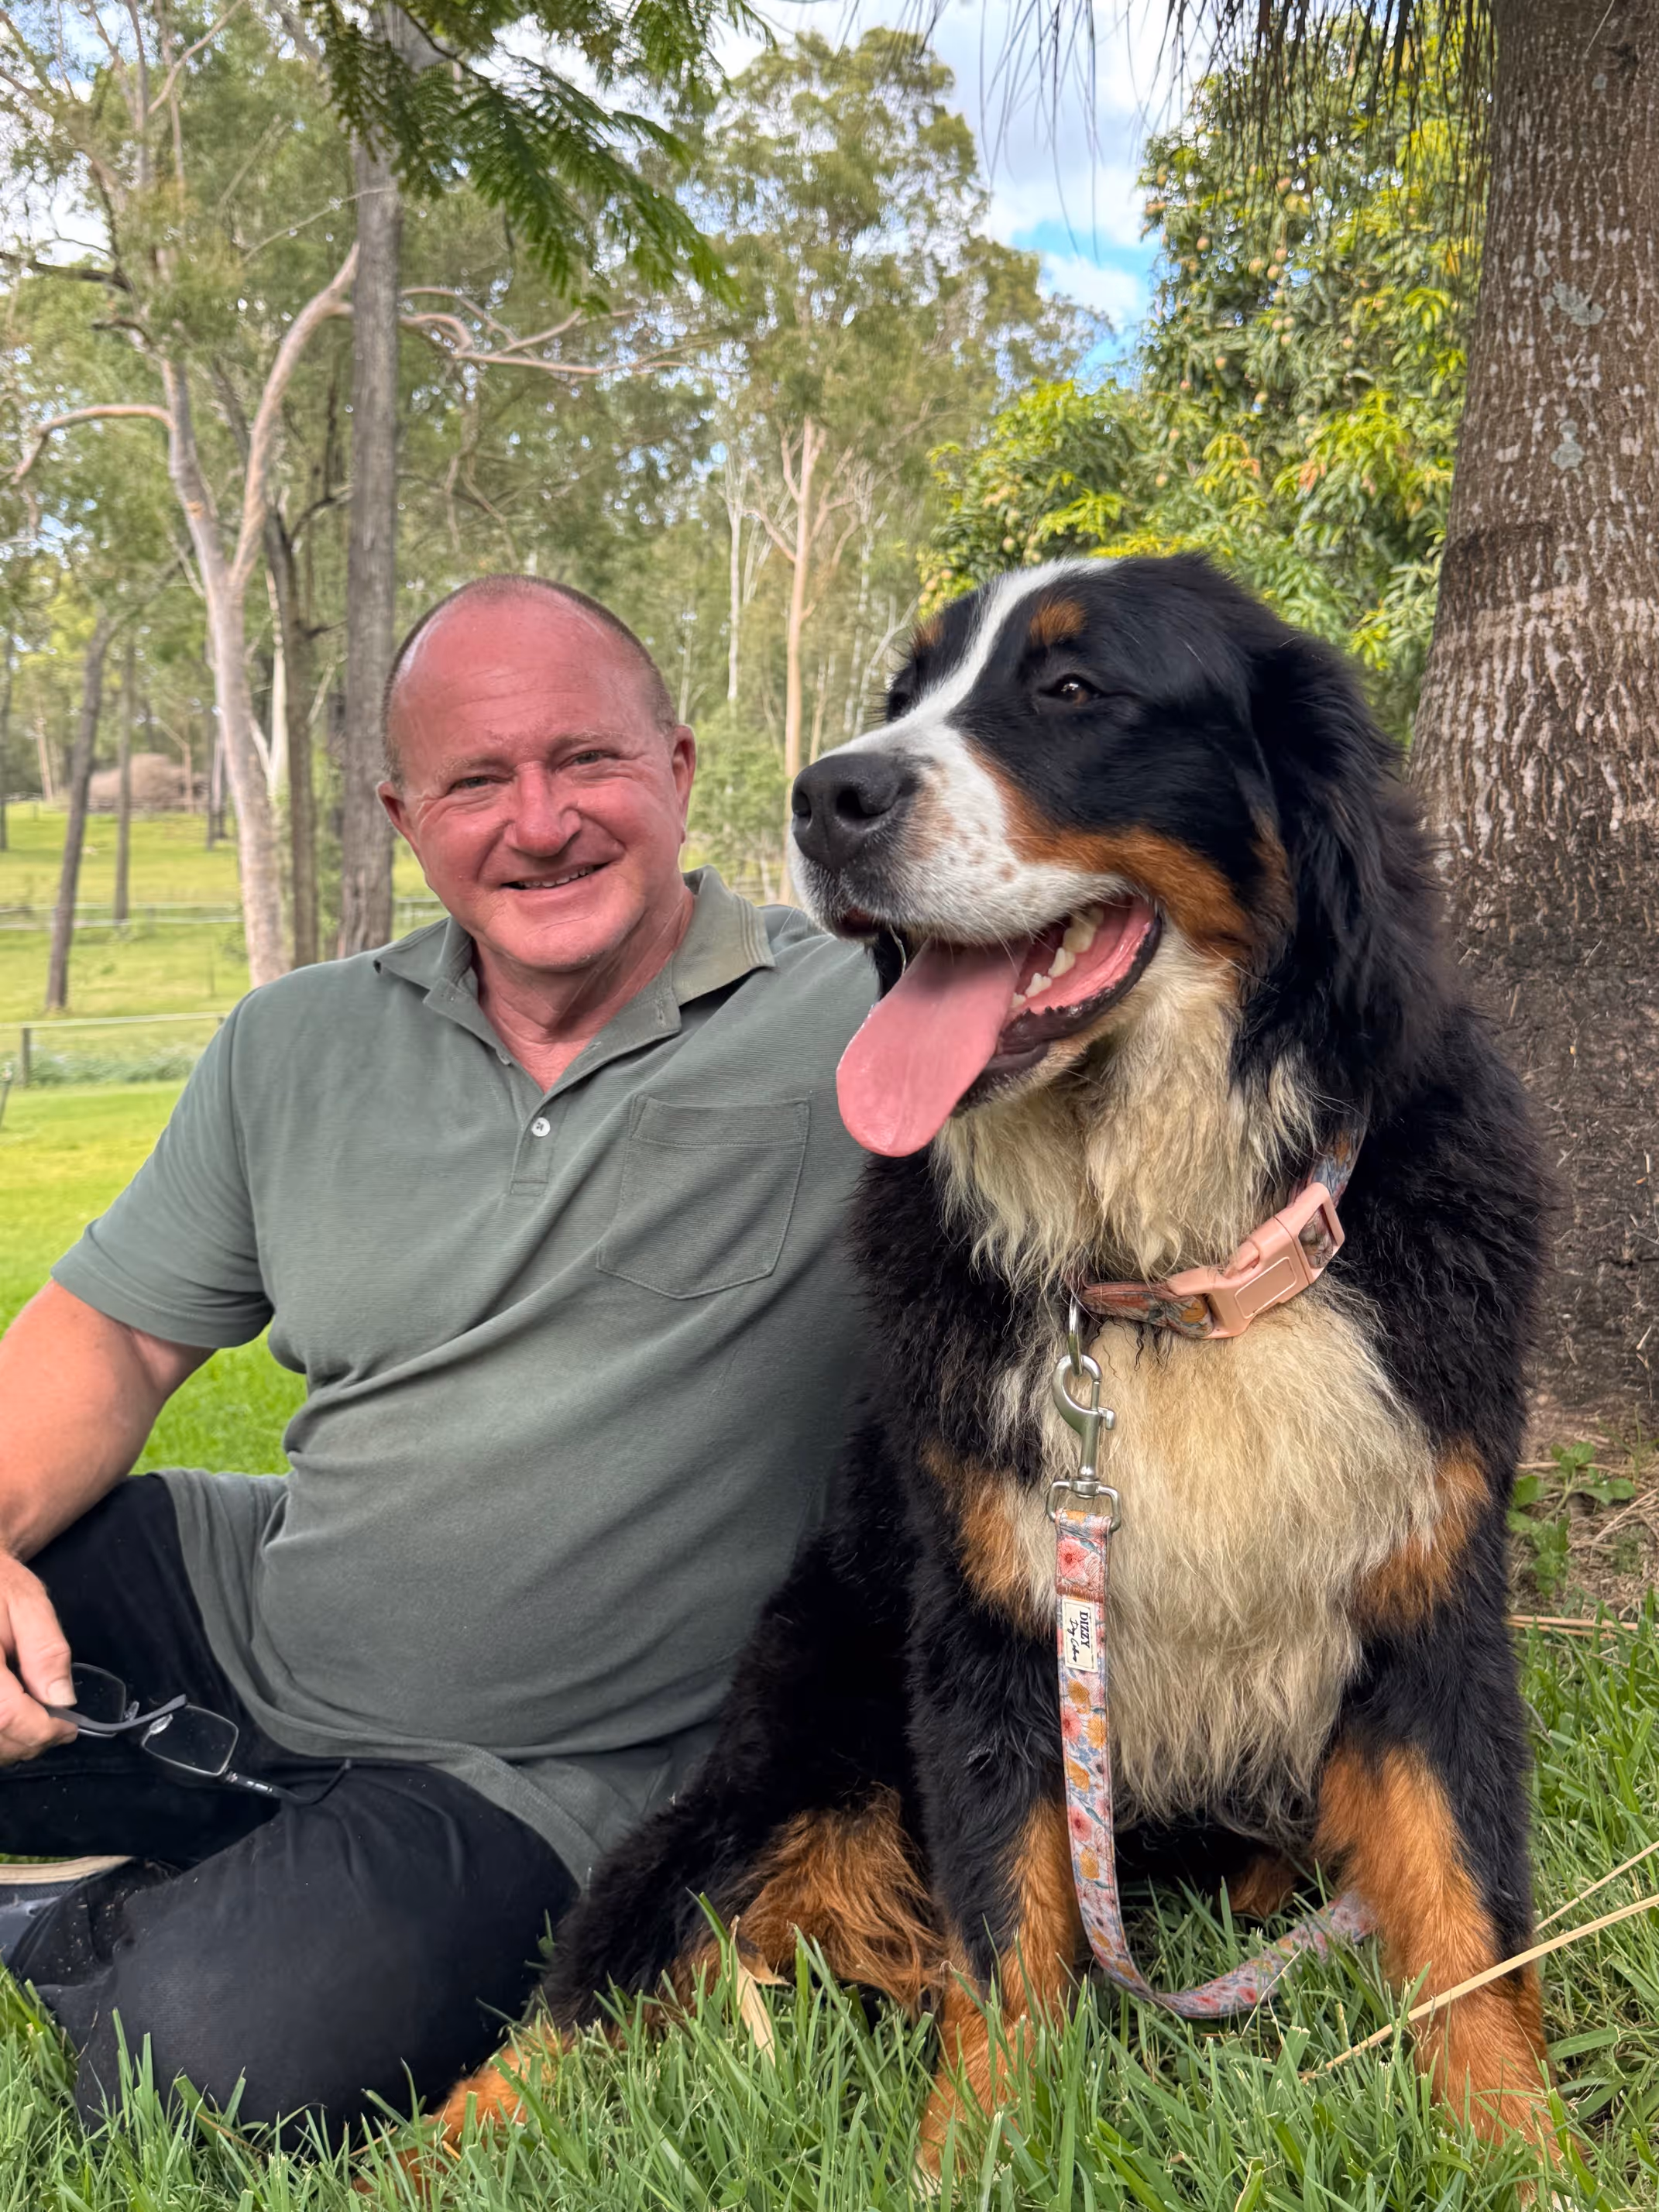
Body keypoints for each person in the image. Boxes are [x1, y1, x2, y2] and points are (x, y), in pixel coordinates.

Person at [0, 577, 875, 2146]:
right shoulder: (294, 1042)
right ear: (409, 820)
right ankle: (235, 1838)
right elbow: (117, 1334)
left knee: (200, 2063)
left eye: (586, 760)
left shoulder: (862, 1024)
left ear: (677, 769)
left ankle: (81, 1920)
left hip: (562, 1765)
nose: (539, 823)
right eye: (476, 782)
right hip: (253, 1615)